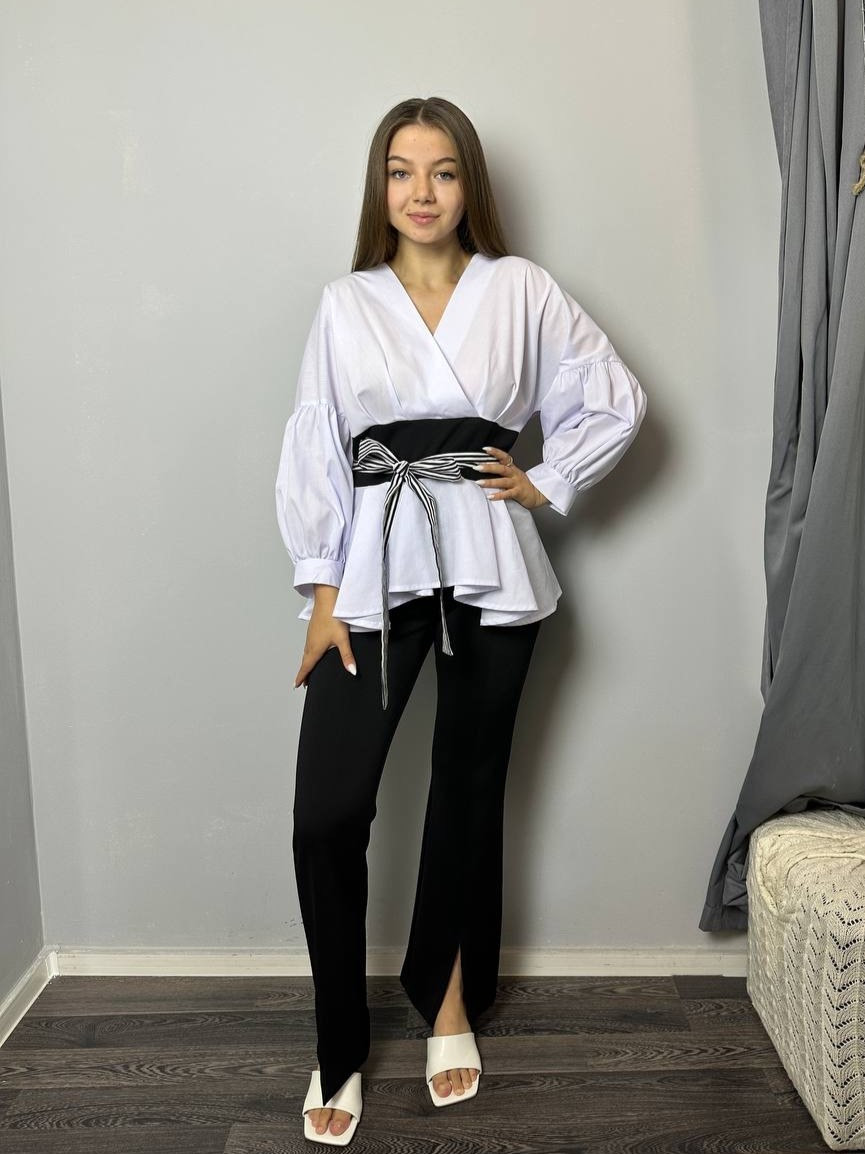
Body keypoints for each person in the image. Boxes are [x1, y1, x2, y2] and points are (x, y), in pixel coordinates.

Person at [275, 95, 647, 1145]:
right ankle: (338, 1044)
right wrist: (321, 597)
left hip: (490, 562)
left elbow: (613, 397)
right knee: (326, 814)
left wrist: (546, 480)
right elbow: (315, 444)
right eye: (400, 171)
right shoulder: (346, 303)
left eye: (442, 172)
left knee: (467, 792)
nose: (421, 192)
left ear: (468, 183)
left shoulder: (519, 288)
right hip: (372, 562)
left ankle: (446, 1002)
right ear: (379, 187)